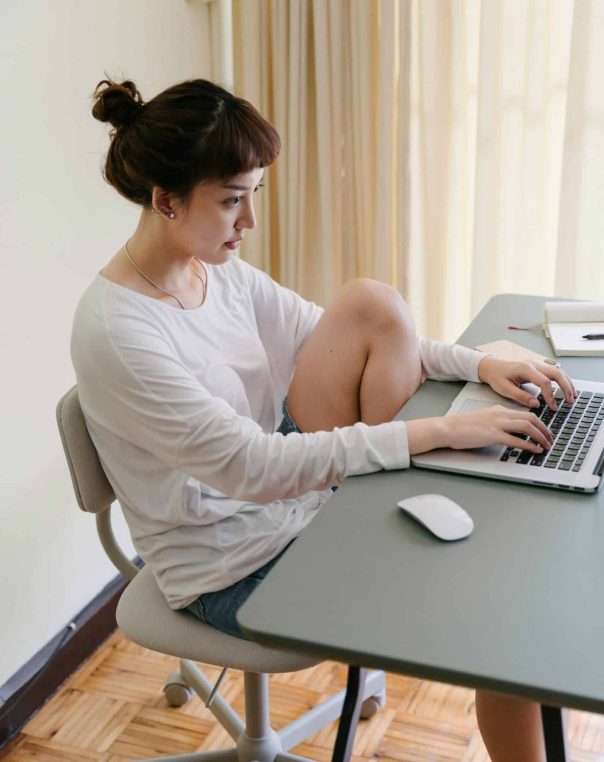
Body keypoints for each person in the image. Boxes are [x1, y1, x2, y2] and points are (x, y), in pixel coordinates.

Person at [72, 77, 574, 762]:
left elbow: (337, 335)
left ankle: (398, 503)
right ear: (165, 201)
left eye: (253, 196)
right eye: (230, 202)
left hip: (296, 493)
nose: (248, 221)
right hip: (229, 563)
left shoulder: (213, 269)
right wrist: (440, 432)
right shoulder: (119, 331)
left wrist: (477, 365)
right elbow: (249, 469)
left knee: (372, 302)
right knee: (500, 617)